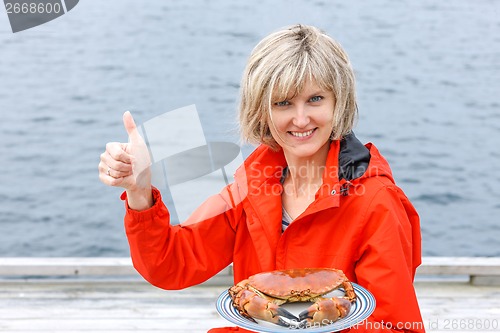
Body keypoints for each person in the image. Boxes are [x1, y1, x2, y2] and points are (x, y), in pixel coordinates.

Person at [98, 24, 425, 333]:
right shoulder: (254, 182)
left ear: (338, 102)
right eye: (283, 103)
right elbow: (172, 263)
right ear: (262, 111)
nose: (300, 118)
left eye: (315, 99)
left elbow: (395, 325)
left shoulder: (376, 202)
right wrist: (140, 192)